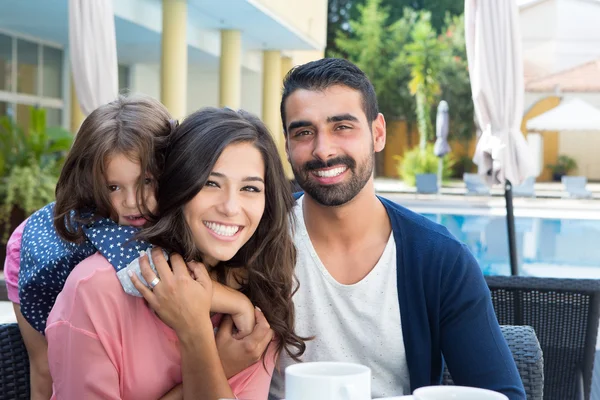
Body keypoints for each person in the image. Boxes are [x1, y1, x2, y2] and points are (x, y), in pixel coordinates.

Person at [269, 58, 526, 400]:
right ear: (286, 145)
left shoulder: (440, 260)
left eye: (342, 127)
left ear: (378, 133)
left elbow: (501, 394)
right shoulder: (258, 240)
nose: (323, 150)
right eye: (303, 132)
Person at [4, 96, 264, 399]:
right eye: (113, 187)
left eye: (147, 181)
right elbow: (156, 276)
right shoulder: (113, 231)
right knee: (44, 368)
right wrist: (237, 302)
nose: (131, 202)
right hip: (30, 253)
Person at [45, 107, 306, 399]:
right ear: (179, 184)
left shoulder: (258, 293)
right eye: (211, 183)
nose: (231, 207)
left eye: (250, 188)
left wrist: (205, 335)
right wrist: (212, 356)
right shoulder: (96, 289)